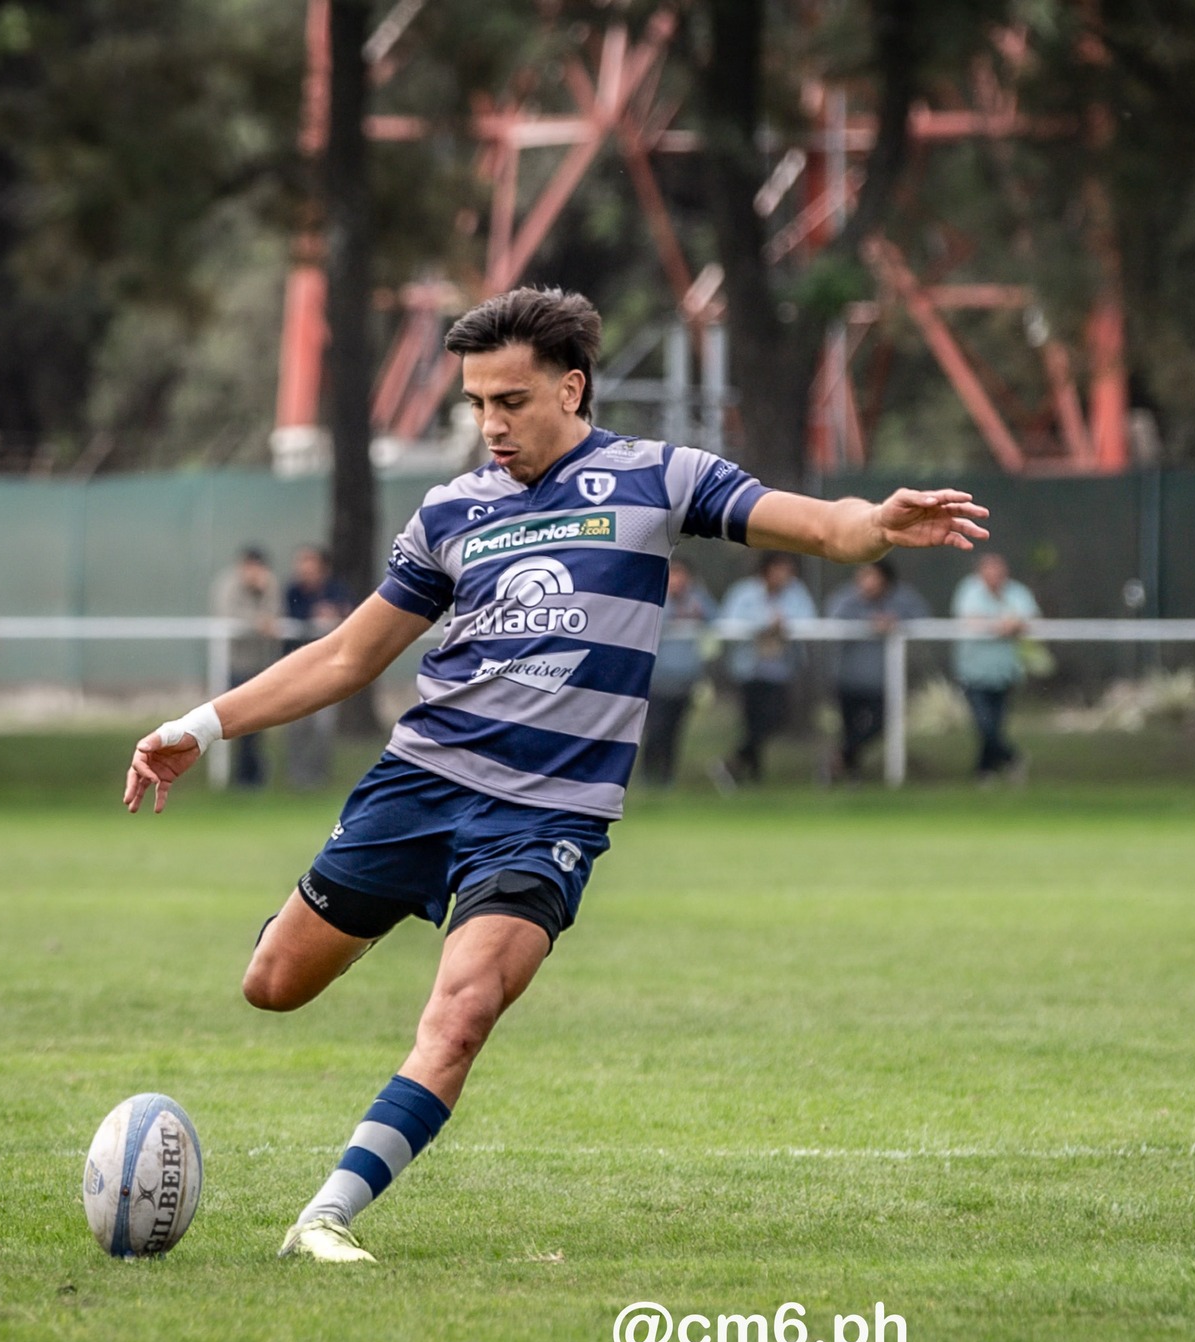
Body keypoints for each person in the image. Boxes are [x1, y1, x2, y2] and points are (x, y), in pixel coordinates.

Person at [120, 286, 988, 1264]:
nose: (490, 424)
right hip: (421, 783)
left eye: (511, 401)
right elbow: (343, 658)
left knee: (461, 1011)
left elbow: (818, 528)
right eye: (476, 404)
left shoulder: (658, 477)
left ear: (571, 388)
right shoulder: (450, 511)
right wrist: (201, 723)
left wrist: (875, 520)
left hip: (547, 818)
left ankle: (323, 1217)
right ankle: (363, 911)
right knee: (271, 985)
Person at [714, 551, 818, 786]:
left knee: (775, 718)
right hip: (749, 668)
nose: (785, 575)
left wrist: (785, 626)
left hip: (781, 668)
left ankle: (735, 762)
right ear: (767, 570)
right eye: (781, 569)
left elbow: (809, 621)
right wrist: (763, 626)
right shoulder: (744, 593)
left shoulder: (796, 593)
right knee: (754, 721)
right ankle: (751, 775)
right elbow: (729, 623)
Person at [824, 560, 927, 781]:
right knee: (849, 727)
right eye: (863, 576)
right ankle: (850, 772)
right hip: (848, 677)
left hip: (884, 680)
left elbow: (922, 617)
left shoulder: (901, 598)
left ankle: (840, 757)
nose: (866, 582)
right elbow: (833, 619)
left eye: (872, 576)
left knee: (883, 721)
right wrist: (867, 622)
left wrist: (896, 622)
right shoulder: (847, 598)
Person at [950, 552, 1040, 783]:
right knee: (985, 725)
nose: (994, 576)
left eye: (998, 571)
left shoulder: (1017, 592)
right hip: (973, 672)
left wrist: (1012, 625)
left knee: (995, 725)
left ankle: (984, 772)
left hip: (1005, 672)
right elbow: (969, 620)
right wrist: (998, 626)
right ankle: (1012, 757)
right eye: (989, 571)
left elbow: (1029, 618)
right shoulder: (969, 590)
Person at [639, 559, 715, 786]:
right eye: (673, 575)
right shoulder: (655, 597)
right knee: (657, 728)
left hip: (686, 680)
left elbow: (716, 618)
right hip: (658, 679)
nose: (677, 581)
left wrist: (699, 609)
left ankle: (666, 777)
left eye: (681, 575)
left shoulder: (697, 599)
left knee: (674, 731)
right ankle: (648, 774)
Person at [211, 547, 282, 788]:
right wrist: (257, 622)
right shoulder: (228, 584)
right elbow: (228, 615)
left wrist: (261, 595)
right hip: (234, 664)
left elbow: (275, 616)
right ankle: (238, 775)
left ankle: (253, 775)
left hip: (261, 666)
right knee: (233, 722)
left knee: (258, 722)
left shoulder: (269, 585)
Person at [284, 546, 353, 788]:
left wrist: (333, 615)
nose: (305, 571)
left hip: (327, 669)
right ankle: (298, 778)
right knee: (297, 725)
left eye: (310, 565)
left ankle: (319, 778)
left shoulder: (336, 590)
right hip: (297, 669)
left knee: (323, 725)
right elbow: (288, 620)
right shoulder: (292, 591)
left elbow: (351, 615)